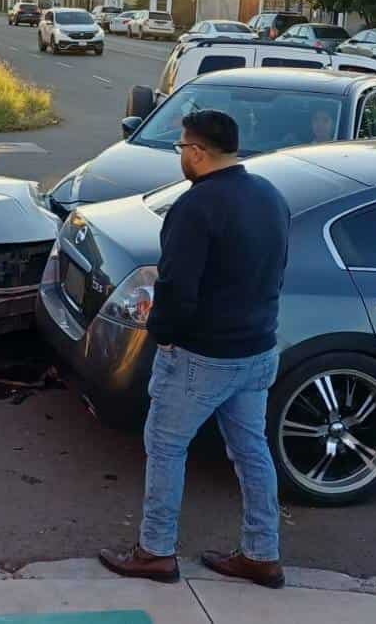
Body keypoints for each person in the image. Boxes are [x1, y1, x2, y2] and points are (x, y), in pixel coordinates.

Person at [98, 108, 291, 588]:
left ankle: (155, 552)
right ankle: (262, 554)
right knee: (252, 451)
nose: (180, 155)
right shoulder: (269, 196)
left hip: (201, 355)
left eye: (183, 147)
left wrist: (162, 335)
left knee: (165, 446)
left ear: (199, 152)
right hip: (258, 349)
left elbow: (177, 286)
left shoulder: (195, 206)